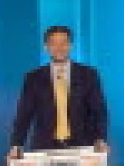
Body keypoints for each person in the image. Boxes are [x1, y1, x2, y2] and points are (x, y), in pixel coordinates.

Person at [8, 26, 109, 159]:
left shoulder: (88, 74)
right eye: (54, 43)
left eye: (64, 42)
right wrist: (16, 144)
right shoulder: (33, 77)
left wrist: (100, 138)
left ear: (71, 45)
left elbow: (99, 111)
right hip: (44, 148)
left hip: (82, 146)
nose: (59, 47)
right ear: (46, 46)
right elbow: (24, 114)